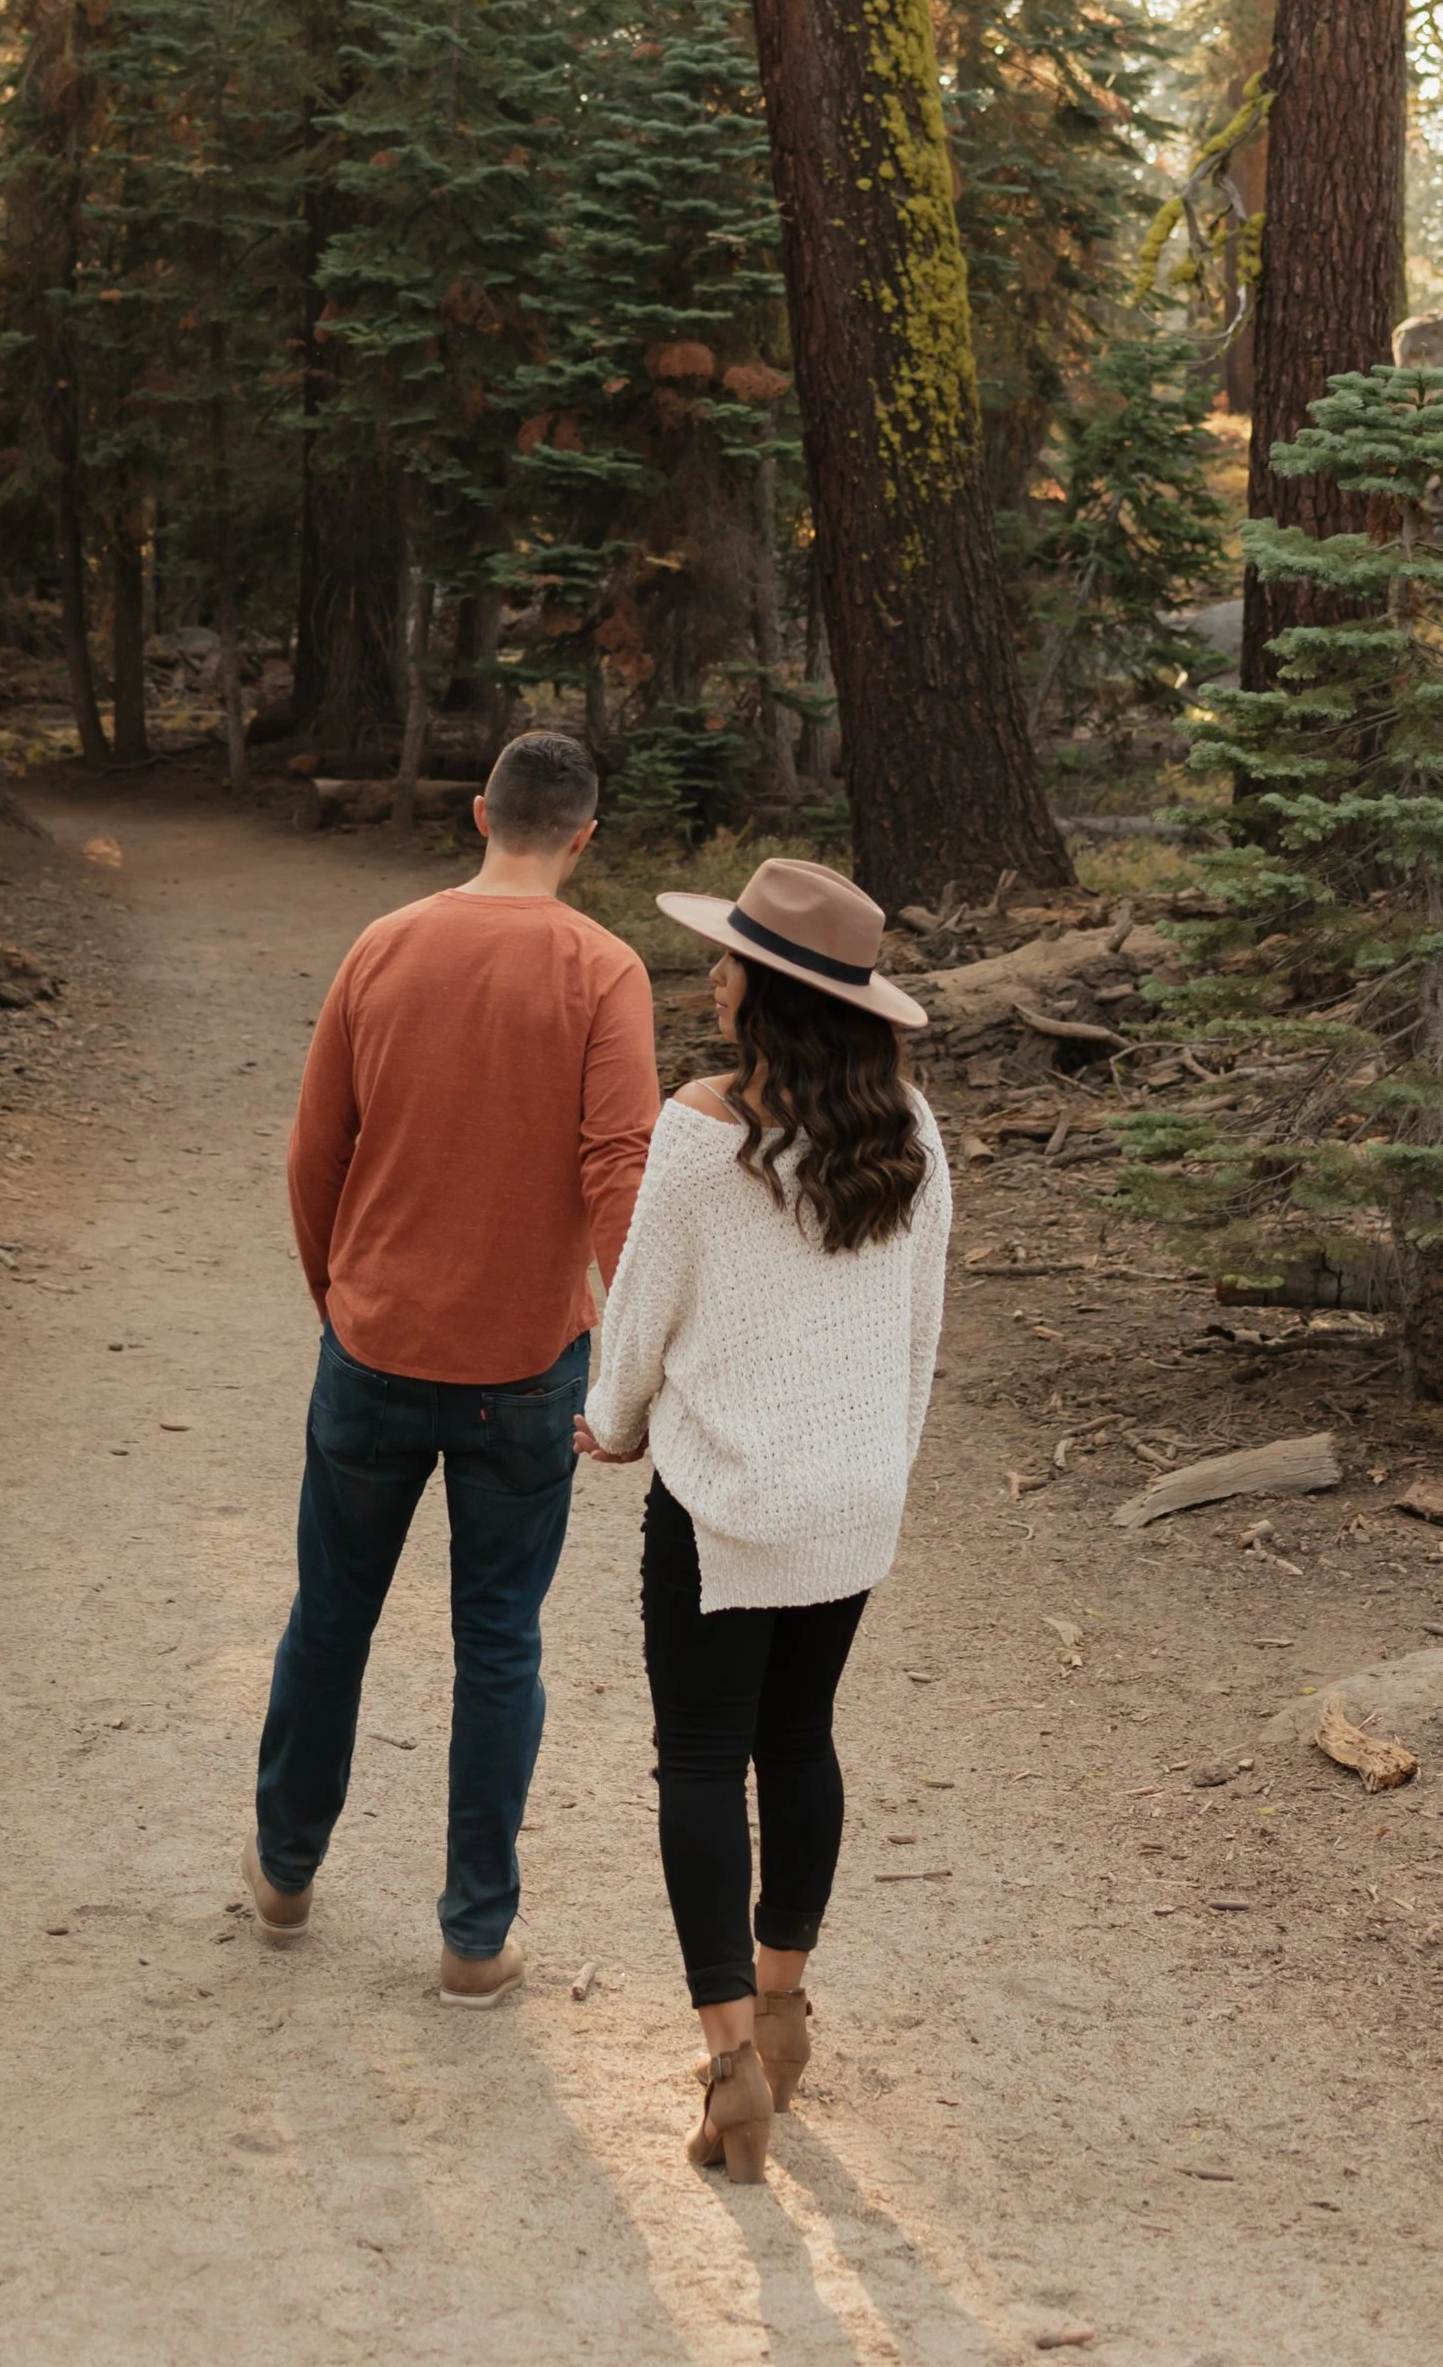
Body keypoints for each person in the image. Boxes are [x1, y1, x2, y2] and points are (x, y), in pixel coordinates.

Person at [244, 728, 659, 2002]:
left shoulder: (385, 944)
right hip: (526, 1364)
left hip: (372, 1346)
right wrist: (628, 1362)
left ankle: (284, 1874)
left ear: (482, 813)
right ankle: (473, 1939)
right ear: (583, 837)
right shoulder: (603, 967)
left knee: (332, 1619)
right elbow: (618, 1169)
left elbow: (316, 1152)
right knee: (498, 1641)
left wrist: (342, 1297)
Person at [578, 856, 949, 2180]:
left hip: (727, 1498)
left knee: (699, 1761)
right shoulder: (909, 1131)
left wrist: (613, 1422)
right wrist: (879, 1468)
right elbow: (917, 1336)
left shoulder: (699, 1131)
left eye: (731, 958)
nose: (714, 973)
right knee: (801, 1739)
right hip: (850, 1497)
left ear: (769, 996)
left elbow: (642, 1318)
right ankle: (785, 2011)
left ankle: (733, 2062)